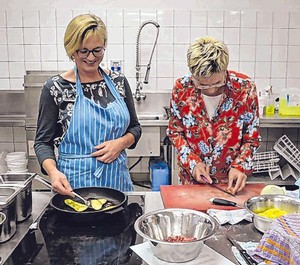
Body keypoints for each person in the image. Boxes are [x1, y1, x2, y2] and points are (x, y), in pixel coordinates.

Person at [34, 14, 141, 196]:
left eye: (97, 50)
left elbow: (135, 128)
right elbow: (43, 143)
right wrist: (53, 173)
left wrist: (121, 143)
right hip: (74, 187)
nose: (91, 58)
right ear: (72, 49)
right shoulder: (55, 88)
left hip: (117, 183)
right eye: (84, 51)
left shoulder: (118, 82)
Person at [167, 36, 260, 195]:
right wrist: (193, 163)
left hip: (232, 185)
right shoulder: (182, 88)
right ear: (192, 73)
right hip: (192, 181)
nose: (210, 90)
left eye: (217, 83)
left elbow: (251, 138)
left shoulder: (244, 88)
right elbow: (175, 132)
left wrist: (240, 166)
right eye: (202, 84)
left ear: (225, 70)